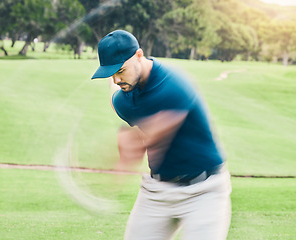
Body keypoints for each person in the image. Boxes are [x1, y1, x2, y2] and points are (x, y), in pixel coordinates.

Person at [91, 30, 232, 240]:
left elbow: (157, 136)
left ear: (139, 55)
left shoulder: (174, 85)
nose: (117, 79)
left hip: (204, 192)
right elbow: (123, 109)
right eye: (111, 74)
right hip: (156, 191)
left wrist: (128, 150)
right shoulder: (123, 100)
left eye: (121, 70)